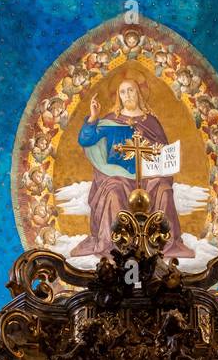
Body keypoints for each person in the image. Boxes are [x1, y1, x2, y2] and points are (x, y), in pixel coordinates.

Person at [72, 76, 191, 259]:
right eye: (122, 91)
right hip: (118, 176)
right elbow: (86, 140)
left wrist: (160, 156)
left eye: (131, 90)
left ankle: (163, 244)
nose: (127, 95)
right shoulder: (112, 120)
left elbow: (163, 152)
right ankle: (117, 246)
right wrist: (94, 117)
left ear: (138, 93)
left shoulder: (151, 121)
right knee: (113, 191)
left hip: (148, 176)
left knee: (164, 189)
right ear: (118, 97)